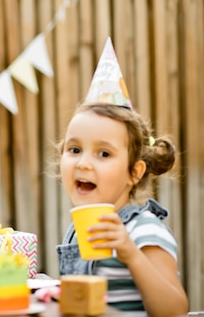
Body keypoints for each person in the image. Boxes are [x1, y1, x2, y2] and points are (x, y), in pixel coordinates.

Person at [56, 38, 188, 315]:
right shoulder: (77, 231)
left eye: (103, 154)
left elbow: (175, 310)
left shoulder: (144, 231)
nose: (83, 163)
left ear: (134, 172)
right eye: (75, 149)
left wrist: (130, 254)